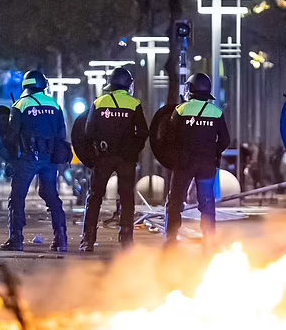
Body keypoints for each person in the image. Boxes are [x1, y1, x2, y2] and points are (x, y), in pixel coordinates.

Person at [0, 69, 69, 252]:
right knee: (51, 195)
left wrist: (10, 160)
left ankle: (16, 239)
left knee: (17, 197)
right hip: (49, 159)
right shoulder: (54, 104)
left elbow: (12, 136)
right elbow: (62, 133)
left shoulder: (20, 104)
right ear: (43, 85)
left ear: (26, 85)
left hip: (28, 158)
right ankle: (61, 238)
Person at [80, 67, 148, 251]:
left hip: (104, 157)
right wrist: (133, 150)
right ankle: (126, 240)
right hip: (126, 159)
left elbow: (88, 131)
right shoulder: (134, 104)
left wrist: (95, 152)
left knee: (94, 197)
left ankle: (88, 240)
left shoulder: (99, 102)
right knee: (126, 198)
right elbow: (143, 132)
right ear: (128, 84)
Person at [164, 72, 230, 248]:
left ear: (190, 89)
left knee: (175, 201)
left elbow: (168, 137)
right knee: (207, 203)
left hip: (183, 164)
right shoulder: (216, 112)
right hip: (207, 165)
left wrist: (175, 156)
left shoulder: (181, 110)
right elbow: (225, 140)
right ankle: (209, 238)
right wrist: (212, 152)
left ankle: (171, 239)